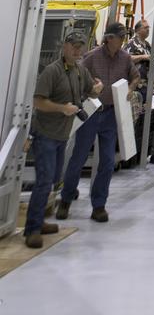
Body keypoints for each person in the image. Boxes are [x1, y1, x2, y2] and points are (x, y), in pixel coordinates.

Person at [24, 30, 103, 249]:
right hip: (45, 135)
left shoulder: (80, 71)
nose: (77, 50)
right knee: (44, 182)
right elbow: (38, 102)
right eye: (74, 46)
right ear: (65, 46)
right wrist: (62, 108)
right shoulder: (53, 71)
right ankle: (32, 229)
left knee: (52, 181)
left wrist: (97, 89)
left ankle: (39, 221)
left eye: (80, 47)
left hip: (61, 136)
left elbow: (91, 92)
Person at [57, 22, 141, 223]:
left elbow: (135, 76)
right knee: (78, 157)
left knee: (108, 161)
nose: (123, 40)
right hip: (91, 112)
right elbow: (75, 77)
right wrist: (88, 89)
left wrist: (130, 89)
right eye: (120, 37)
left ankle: (99, 205)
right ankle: (66, 200)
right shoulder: (92, 57)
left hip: (111, 114)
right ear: (109, 38)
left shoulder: (125, 58)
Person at [126, 18, 152, 165]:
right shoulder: (132, 43)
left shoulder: (147, 45)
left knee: (143, 121)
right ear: (137, 29)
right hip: (136, 88)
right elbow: (126, 58)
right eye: (145, 27)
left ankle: (140, 153)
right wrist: (143, 57)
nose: (148, 30)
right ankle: (130, 156)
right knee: (133, 120)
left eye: (148, 28)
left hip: (146, 88)